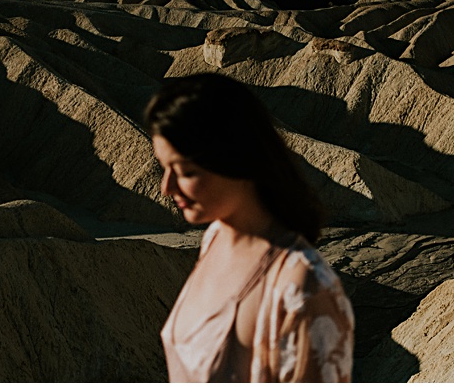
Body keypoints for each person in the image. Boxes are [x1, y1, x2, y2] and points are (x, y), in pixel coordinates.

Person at [144, 73, 354, 382]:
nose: (166, 187)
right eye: (164, 168)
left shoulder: (304, 288)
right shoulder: (215, 238)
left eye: (186, 171)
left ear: (237, 158)